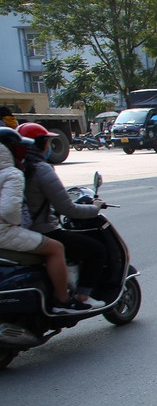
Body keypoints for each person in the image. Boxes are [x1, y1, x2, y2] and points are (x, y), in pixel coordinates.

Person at [18, 122, 107, 308]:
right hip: (43, 231)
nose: (50, 147)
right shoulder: (41, 169)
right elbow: (68, 209)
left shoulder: (16, 169)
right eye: (48, 143)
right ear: (40, 144)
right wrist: (95, 208)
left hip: (19, 230)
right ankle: (79, 297)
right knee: (96, 250)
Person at [0, 128, 88, 313]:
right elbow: (10, 211)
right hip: (5, 232)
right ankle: (63, 302)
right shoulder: (13, 173)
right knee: (56, 248)